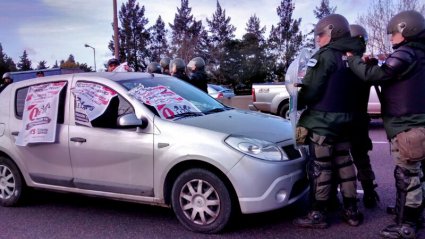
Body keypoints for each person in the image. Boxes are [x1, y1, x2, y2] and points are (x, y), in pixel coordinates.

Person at [347, 10, 425, 239]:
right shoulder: (417, 54)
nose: (391, 37)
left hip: (407, 125)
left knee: (407, 176)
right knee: (416, 175)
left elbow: (377, 76)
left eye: (393, 33)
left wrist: (353, 60)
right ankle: (410, 212)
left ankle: (407, 225)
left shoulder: (406, 53)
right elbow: (389, 72)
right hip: (415, 123)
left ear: (406, 30)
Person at [293, 14, 364, 229]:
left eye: (321, 34)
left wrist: (298, 97)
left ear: (332, 32)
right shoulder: (353, 55)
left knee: (321, 168)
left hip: (323, 122)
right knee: (345, 164)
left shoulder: (325, 56)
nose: (318, 39)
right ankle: (351, 211)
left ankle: (318, 214)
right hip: (347, 121)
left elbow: (312, 90)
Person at [348, 24, 380, 208]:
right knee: (361, 159)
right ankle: (369, 192)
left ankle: (347, 199)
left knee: (342, 159)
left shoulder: (348, 66)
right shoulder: (365, 66)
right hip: (359, 120)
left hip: (346, 119)